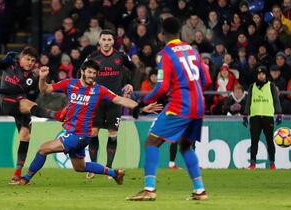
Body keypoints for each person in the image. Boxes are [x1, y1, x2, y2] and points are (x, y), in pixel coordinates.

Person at [17, 60, 162, 185]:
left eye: (94, 73)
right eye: (90, 72)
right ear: (82, 71)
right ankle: (115, 173)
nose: (92, 76)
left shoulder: (99, 90)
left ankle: (25, 178)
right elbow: (45, 90)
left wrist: (141, 106)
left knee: (43, 149)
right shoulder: (70, 84)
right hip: (76, 134)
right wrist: (42, 78)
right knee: (80, 167)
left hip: (79, 134)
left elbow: (120, 99)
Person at [126, 17, 212, 201]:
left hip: (180, 105)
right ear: (180, 31)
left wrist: (141, 102)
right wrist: (193, 92)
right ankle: (200, 190)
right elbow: (206, 80)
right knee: (186, 146)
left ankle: (149, 189)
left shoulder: (166, 53)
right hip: (198, 105)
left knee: (151, 142)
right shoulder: (192, 50)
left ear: (162, 34)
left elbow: (163, 87)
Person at [0, 47, 58, 184]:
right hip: (8, 102)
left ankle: (17, 174)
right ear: (21, 57)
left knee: (25, 136)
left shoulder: (31, 77)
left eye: (32, 60)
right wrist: (2, 61)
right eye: (27, 59)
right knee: (28, 104)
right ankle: (58, 115)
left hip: (19, 101)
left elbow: (17, 89)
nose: (30, 63)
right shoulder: (10, 64)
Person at [85, 30, 137, 179]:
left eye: (109, 39)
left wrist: (129, 83)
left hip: (115, 101)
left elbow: (133, 68)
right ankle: (94, 168)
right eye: (104, 39)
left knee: (112, 134)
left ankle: (108, 168)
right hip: (96, 102)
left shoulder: (120, 56)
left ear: (113, 42)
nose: (106, 42)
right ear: (99, 41)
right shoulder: (93, 57)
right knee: (93, 132)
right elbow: (80, 74)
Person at [243, 66, 282, 170]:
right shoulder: (252, 86)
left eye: (263, 74)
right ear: (257, 75)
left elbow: (276, 100)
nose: (261, 75)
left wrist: (279, 113)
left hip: (268, 116)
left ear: (266, 75)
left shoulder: (271, 86)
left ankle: (272, 163)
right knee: (254, 141)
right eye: (259, 74)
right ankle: (252, 163)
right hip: (255, 117)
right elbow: (248, 101)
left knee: (269, 141)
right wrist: (245, 114)